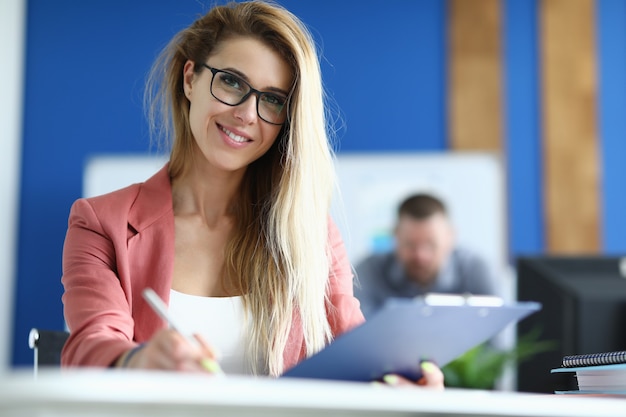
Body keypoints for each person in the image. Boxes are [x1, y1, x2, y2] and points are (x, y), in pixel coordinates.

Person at [60, 1, 443, 388]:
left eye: (273, 100)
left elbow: (360, 354)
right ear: (189, 78)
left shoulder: (312, 235)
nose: (247, 114)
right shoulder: (101, 223)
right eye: (231, 81)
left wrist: (405, 384)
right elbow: (89, 345)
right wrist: (138, 360)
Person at [354, 193, 500, 318]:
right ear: (396, 236)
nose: (420, 256)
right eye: (410, 244)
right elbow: (356, 340)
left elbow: (499, 342)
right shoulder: (368, 271)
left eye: (431, 245)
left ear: (450, 237)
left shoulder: (476, 269)